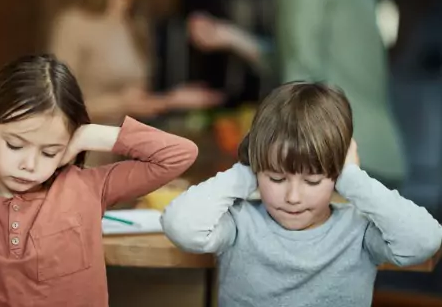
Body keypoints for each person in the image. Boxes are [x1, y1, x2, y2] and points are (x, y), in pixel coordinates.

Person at [0, 54, 198, 307]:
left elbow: (178, 154)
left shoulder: (87, 187)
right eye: (14, 145)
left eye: (50, 151)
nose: (29, 165)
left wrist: (91, 135)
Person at [161, 82, 442, 307]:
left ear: (337, 174)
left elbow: (423, 241)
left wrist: (355, 179)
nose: (293, 197)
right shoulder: (239, 223)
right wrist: (247, 168)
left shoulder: (358, 231)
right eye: (276, 178)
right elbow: (181, 225)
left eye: (312, 180)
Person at [188, 0, 406, 187]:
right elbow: (296, 58)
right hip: (372, 152)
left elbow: (299, 77)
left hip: (341, 158)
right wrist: (230, 37)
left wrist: (262, 151)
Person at [50, 0, 222, 128]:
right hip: (84, 154)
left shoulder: (136, 26)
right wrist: (126, 103)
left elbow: (138, 103)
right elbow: (57, 106)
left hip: (121, 153)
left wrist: (173, 99)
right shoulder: (74, 25)